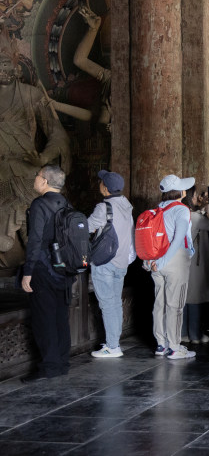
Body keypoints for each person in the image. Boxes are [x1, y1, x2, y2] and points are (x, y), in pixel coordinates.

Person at [0, 25, 69, 271]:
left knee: (33, 212)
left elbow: (57, 133)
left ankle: (40, 266)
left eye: (6, 61)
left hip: (28, 166)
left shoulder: (30, 95)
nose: (2, 68)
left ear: (16, 63)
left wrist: (44, 156)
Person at [20, 165, 72, 381]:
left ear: (45, 181)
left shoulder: (40, 204)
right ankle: (61, 362)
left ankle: (49, 367)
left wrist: (27, 271)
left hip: (44, 268)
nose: (35, 179)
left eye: (37, 175)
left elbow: (35, 241)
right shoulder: (68, 204)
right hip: (65, 270)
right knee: (60, 316)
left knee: (44, 318)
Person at [145, 174, 196, 360]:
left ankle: (161, 344)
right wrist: (165, 261)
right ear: (180, 192)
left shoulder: (156, 209)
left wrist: (154, 262)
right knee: (175, 304)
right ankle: (174, 347)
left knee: (160, 303)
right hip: (174, 259)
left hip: (155, 259)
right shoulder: (181, 209)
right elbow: (178, 238)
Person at [87, 170, 135, 358]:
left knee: (107, 304)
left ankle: (113, 346)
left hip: (105, 261)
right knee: (115, 302)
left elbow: (87, 227)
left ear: (105, 188)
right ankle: (114, 342)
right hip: (121, 260)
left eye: (100, 182)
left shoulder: (104, 207)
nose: (99, 184)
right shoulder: (126, 205)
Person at [181, 185, 209, 345]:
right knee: (194, 297)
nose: (197, 198)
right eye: (195, 196)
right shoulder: (195, 217)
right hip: (195, 262)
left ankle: (183, 333)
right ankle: (195, 334)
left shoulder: (183, 213)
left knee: (185, 297)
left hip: (183, 261)